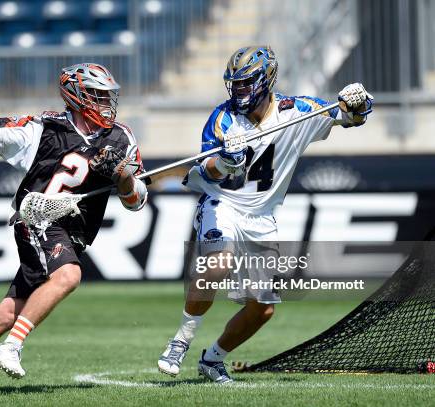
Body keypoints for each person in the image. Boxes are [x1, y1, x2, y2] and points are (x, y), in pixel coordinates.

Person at [0, 63, 148, 395]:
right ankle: (11, 348)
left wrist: (122, 176)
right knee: (69, 275)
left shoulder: (121, 137)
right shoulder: (45, 128)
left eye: (107, 97)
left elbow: (136, 201)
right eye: (97, 96)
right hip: (37, 218)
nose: (105, 104)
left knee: (8, 313)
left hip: (74, 232)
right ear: (77, 97)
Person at [157, 46, 373, 383]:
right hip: (223, 203)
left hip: (263, 218)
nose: (239, 91)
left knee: (264, 308)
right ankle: (180, 341)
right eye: (236, 84)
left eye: (246, 83)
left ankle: (212, 360)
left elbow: (351, 117)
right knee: (219, 263)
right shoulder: (223, 118)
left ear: (266, 79)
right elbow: (207, 170)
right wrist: (226, 161)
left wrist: (358, 102)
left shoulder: (297, 111)